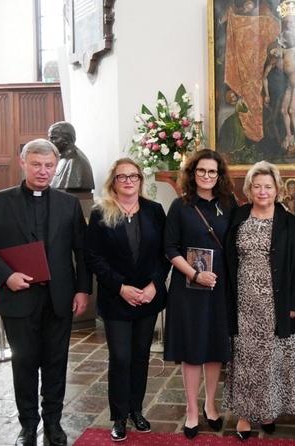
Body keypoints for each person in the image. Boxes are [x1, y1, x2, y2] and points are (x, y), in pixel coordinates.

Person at [0, 139, 91, 446]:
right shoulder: (0, 201)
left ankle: (53, 422)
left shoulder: (68, 204)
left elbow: (82, 250)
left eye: (49, 166)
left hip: (58, 298)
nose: (43, 171)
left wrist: (82, 291)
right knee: (23, 363)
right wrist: (6, 276)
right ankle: (28, 425)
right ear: (23, 163)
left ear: (56, 167)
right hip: (19, 298)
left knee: (56, 363)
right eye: (36, 164)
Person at [85, 158, 170, 441]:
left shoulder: (155, 211)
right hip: (116, 297)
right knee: (120, 358)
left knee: (140, 357)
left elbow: (165, 254)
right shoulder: (101, 212)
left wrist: (154, 286)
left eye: (133, 176)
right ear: (113, 182)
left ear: (140, 181)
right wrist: (121, 287)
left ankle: (136, 410)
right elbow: (93, 257)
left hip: (147, 297)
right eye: (122, 177)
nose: (128, 181)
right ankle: (119, 416)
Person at [223, 161, 295, 441]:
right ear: (249, 189)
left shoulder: (288, 222)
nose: (262, 191)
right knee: (247, 360)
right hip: (244, 301)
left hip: (277, 302)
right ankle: (245, 416)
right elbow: (227, 259)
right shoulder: (238, 217)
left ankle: (269, 410)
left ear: (277, 190)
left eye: (268, 186)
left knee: (272, 358)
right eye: (257, 186)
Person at [163, 149, 238, 440]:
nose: (207, 176)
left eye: (212, 172)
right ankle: (192, 409)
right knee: (192, 349)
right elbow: (170, 248)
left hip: (220, 286)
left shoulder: (229, 204)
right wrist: (194, 274)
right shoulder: (180, 206)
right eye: (201, 171)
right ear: (192, 173)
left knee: (215, 346)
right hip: (189, 288)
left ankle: (210, 403)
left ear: (219, 175)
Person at [262, 43, 295, 152]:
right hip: (290, 86)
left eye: (274, 51)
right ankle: (288, 135)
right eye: (272, 54)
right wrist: (267, 94)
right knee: (283, 110)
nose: (274, 54)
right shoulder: (275, 61)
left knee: (292, 110)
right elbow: (264, 77)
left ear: (278, 46)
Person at [48, 121, 95, 191]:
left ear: (66, 140)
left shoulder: (77, 162)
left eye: (53, 138)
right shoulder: (60, 159)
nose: (49, 142)